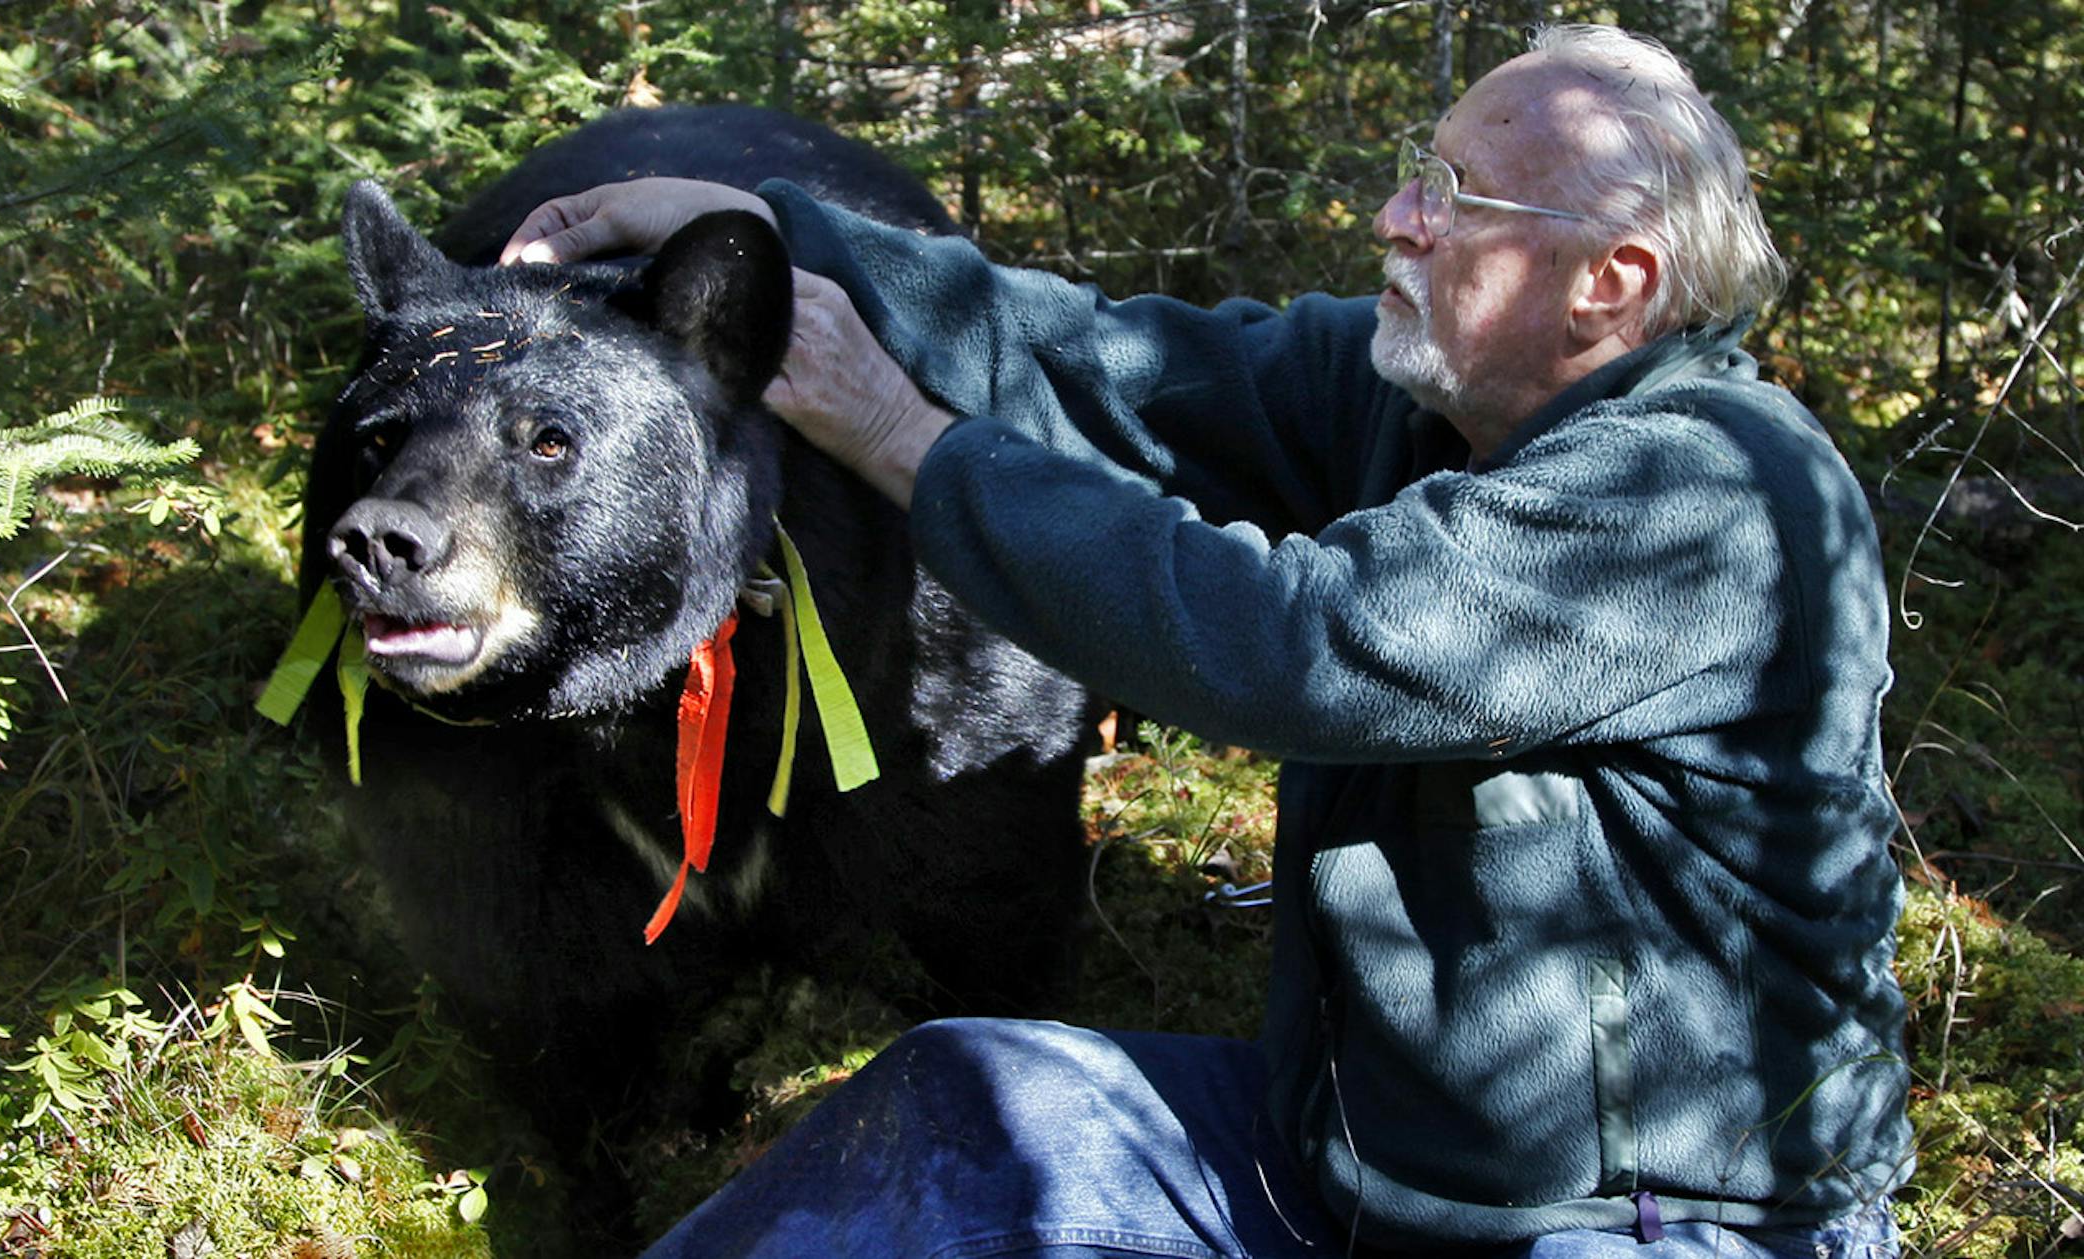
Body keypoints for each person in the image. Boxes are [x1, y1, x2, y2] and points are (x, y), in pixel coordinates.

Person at [503, 23, 1912, 1259]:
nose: (1394, 217)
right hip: (1350, 1173)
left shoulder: (1706, 495)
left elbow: (1295, 642)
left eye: (1453, 197)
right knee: (962, 1112)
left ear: (1610, 281)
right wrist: (770, 225)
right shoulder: (1420, 405)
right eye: (1417, 169)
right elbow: (1108, 365)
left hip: (1655, 1225)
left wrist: (899, 436)